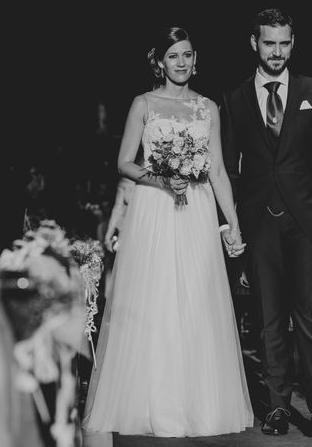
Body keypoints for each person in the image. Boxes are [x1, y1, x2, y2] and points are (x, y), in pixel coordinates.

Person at [82, 26, 254, 440]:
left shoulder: (208, 108)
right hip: (155, 211)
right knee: (153, 299)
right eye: (173, 55)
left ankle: (198, 405)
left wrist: (231, 224)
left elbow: (216, 171)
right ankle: (150, 401)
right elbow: (124, 162)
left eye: (188, 55)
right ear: (159, 61)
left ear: (197, 60)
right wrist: (160, 179)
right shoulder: (144, 104)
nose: (181, 62)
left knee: (197, 301)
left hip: (195, 211)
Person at [219, 7, 312, 437]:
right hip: (259, 223)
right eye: (269, 43)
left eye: (284, 43)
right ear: (254, 43)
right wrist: (230, 223)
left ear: (293, 43)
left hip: (307, 221)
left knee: (310, 317)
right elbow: (230, 170)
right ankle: (277, 407)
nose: (277, 52)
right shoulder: (235, 98)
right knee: (268, 317)